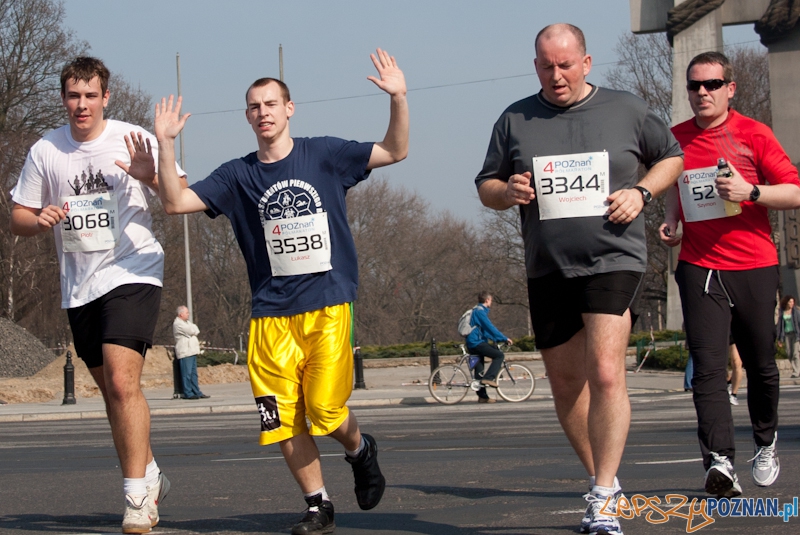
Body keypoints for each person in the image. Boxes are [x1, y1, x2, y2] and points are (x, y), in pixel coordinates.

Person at [141, 48, 407, 535]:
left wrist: (399, 97)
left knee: (326, 412)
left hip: (327, 305)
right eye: (253, 106)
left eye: (271, 103)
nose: (262, 112)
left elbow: (395, 150)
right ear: (247, 116)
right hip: (269, 315)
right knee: (280, 420)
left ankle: (360, 449)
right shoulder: (238, 175)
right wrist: (165, 145)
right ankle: (317, 504)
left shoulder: (324, 153)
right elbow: (176, 202)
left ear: (289, 109)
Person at [475, 24, 683, 535]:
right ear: (536, 66)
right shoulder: (515, 118)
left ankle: (604, 494)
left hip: (614, 256)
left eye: (565, 65)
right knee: (567, 384)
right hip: (548, 265)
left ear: (586, 63)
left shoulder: (627, 109)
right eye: (546, 66)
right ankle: (602, 480)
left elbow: (672, 156)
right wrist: (509, 191)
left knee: (607, 373)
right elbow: (486, 185)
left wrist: (641, 192)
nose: (556, 75)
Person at [9, 56, 185, 533]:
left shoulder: (132, 138)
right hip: (79, 283)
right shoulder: (47, 149)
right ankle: (150, 475)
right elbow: (18, 217)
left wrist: (151, 175)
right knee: (111, 389)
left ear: (106, 97)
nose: (81, 104)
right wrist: (38, 218)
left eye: (90, 95)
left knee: (125, 383)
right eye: (73, 95)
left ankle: (136, 500)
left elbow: (180, 196)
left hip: (133, 270)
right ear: (63, 98)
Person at [660, 51, 800, 498]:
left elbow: (794, 191)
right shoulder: (676, 138)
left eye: (712, 84)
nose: (702, 92)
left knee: (761, 364)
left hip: (754, 264)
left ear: (730, 88)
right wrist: (672, 221)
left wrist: (751, 191)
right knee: (708, 367)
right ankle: (719, 461)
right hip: (699, 265)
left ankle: (766, 441)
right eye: (695, 86)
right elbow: (674, 187)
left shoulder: (754, 134)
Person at [465, 292, 514, 403]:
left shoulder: (476, 310)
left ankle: (483, 397)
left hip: (472, 343)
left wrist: (497, 339)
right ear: (487, 300)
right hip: (476, 343)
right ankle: (489, 378)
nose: (491, 302)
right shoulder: (480, 312)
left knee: (479, 371)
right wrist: (504, 338)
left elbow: (484, 331)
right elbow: (489, 327)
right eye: (491, 300)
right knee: (499, 355)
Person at [172, 305, 209, 400]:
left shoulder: (186, 322)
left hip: (192, 351)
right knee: (186, 373)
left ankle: (196, 391)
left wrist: (193, 330)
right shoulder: (178, 324)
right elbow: (191, 330)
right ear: (181, 314)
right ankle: (188, 392)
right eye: (187, 312)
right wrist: (193, 330)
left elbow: (196, 329)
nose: (188, 314)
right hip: (185, 352)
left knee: (193, 374)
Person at [776, 295, 800, 379]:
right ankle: (797, 369)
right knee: (789, 353)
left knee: (795, 353)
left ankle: (796, 372)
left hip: (795, 334)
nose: (791, 303)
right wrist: (779, 338)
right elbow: (779, 326)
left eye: (793, 302)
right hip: (786, 334)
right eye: (790, 302)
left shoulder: (796, 312)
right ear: (786, 302)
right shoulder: (782, 312)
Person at [728, 341, 743, 405]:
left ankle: (733, 394)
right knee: (720, 361)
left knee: (736, 362)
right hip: (720, 332)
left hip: (735, 333)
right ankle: (728, 380)